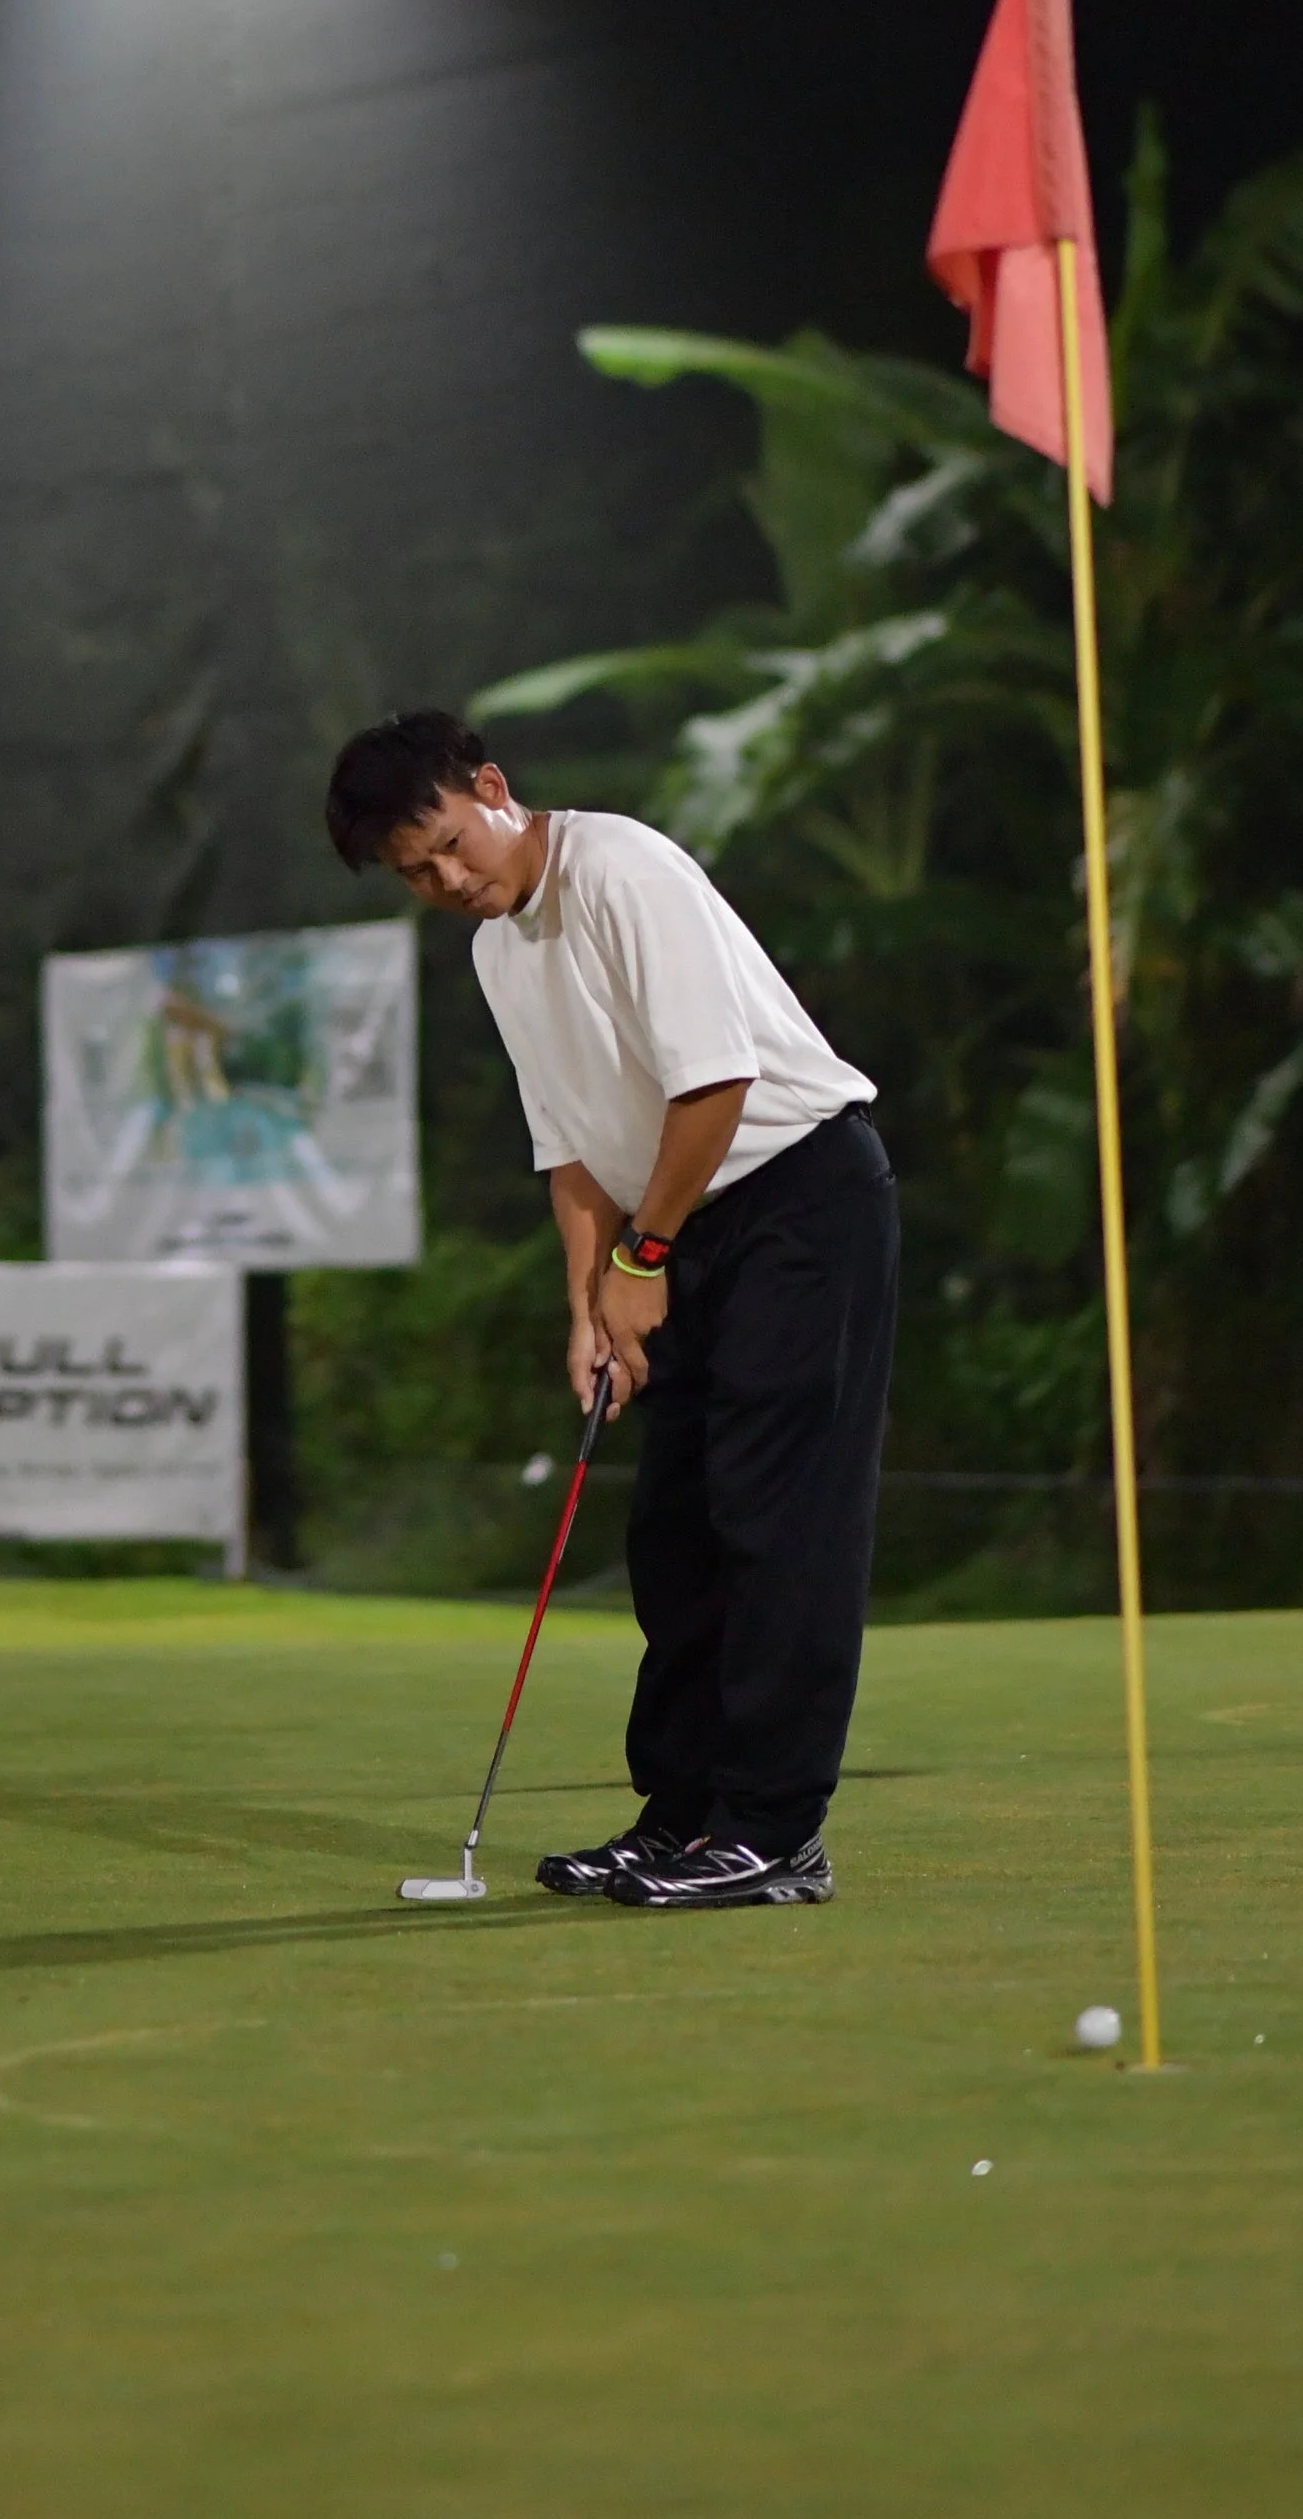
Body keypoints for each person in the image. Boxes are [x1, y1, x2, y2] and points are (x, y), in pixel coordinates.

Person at [325, 708, 896, 1909]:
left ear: (491, 786)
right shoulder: (496, 953)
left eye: (446, 844)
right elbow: (571, 1149)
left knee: (774, 1518)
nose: (444, 879)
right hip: (675, 1223)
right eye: (413, 873)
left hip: (796, 1198)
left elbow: (717, 1083)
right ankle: (682, 1817)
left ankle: (776, 1832)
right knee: (675, 1533)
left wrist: (644, 1259)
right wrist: (588, 1303)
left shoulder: (623, 867)